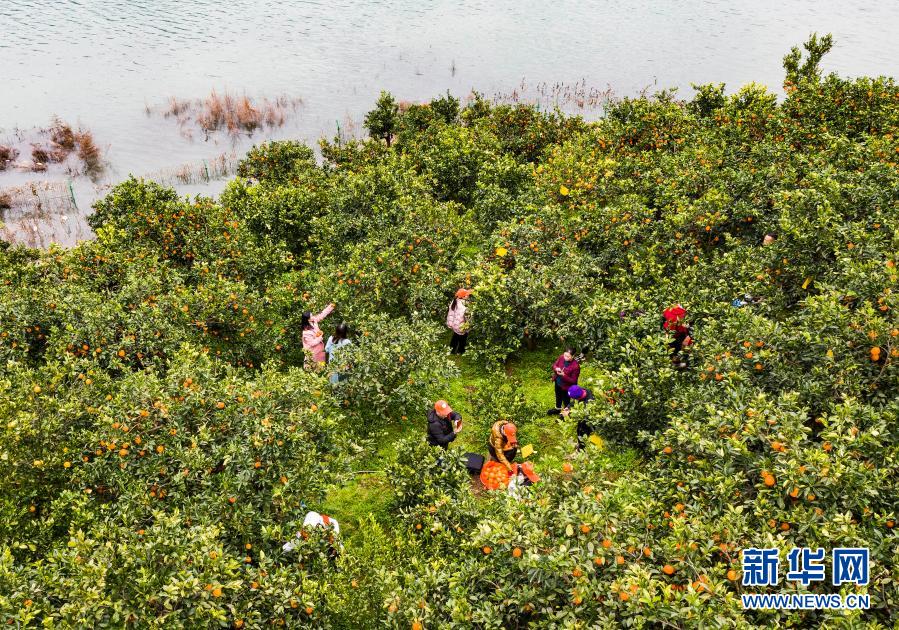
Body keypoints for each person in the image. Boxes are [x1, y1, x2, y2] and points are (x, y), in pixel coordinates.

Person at [301, 303, 335, 368]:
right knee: (312, 367)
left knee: (320, 367)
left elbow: (321, 315)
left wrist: (330, 307)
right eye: (311, 316)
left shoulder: (313, 321)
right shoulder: (306, 332)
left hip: (319, 350)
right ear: (308, 319)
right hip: (313, 352)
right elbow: (312, 343)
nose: (313, 316)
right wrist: (320, 336)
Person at [562, 385, 595, 451]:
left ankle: (581, 450)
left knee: (583, 433)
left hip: (588, 420)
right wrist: (568, 407)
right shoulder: (583, 390)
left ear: (578, 398)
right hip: (583, 416)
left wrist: (569, 414)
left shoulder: (589, 403)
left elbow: (582, 415)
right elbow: (574, 402)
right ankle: (580, 444)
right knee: (579, 431)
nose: (573, 399)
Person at [662, 304, 693, 369]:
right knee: (679, 347)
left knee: (674, 348)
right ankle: (678, 361)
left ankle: (678, 361)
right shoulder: (681, 315)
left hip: (673, 333)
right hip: (677, 334)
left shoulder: (669, 311)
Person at [446, 289, 471, 355]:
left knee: (455, 337)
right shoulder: (464, 306)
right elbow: (466, 317)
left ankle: (451, 350)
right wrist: (469, 325)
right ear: (463, 297)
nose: (468, 295)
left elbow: (450, 314)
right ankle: (460, 351)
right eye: (466, 295)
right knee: (463, 339)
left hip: (454, 325)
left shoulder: (454, 301)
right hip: (461, 326)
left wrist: (450, 323)